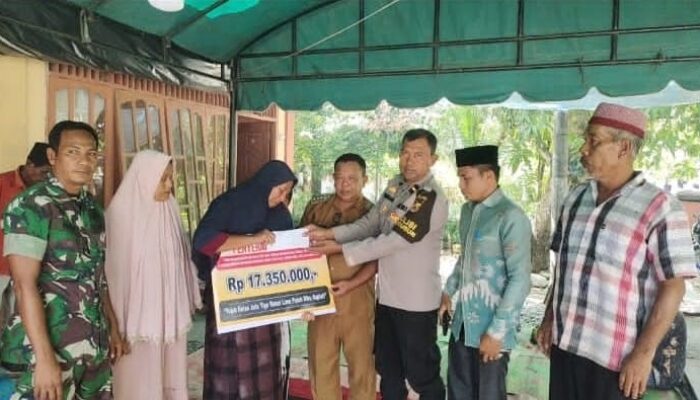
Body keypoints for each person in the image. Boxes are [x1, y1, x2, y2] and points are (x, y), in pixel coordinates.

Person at [536, 103, 698, 400]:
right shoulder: (575, 198)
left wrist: (643, 354)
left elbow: (673, 287)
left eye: (594, 140)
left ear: (623, 148)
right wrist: (549, 318)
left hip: (617, 361)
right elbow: (564, 267)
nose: (583, 149)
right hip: (566, 348)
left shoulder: (660, 208)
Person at [308, 129, 448, 400]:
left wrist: (339, 247)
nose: (409, 160)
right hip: (387, 299)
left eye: (418, 155)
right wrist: (330, 234)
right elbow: (371, 223)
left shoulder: (430, 197)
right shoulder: (396, 186)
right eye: (405, 153)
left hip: (416, 304)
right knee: (389, 371)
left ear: (433, 159)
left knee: (421, 375)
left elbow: (393, 242)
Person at [1, 121, 127, 400]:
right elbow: (23, 285)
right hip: (44, 353)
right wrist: (45, 359)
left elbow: (98, 275)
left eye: (91, 154)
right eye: (73, 152)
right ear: (52, 156)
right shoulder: (30, 207)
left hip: (92, 347)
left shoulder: (92, 209)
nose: (84, 161)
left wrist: (112, 328)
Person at [192, 160, 297, 400]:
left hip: (265, 308)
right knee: (227, 371)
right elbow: (203, 241)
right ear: (266, 183)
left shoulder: (281, 216)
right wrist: (253, 240)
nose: (283, 198)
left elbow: (290, 261)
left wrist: (300, 303)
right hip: (230, 303)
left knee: (266, 373)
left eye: (288, 193)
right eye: (281, 190)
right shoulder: (228, 204)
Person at [105, 150, 202, 399]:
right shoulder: (120, 216)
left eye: (171, 178)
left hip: (169, 317)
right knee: (139, 380)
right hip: (134, 324)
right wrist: (115, 327)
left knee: (170, 375)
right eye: (163, 179)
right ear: (145, 178)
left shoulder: (170, 210)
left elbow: (182, 260)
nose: (169, 185)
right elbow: (113, 277)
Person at [439, 145, 532, 400]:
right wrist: (447, 292)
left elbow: (520, 279)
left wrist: (497, 332)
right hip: (462, 327)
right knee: (458, 393)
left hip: (490, 332)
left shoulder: (510, 216)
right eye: (459, 177)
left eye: (466, 178)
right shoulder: (468, 211)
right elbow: (465, 260)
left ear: (489, 176)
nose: (461, 185)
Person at [299, 153, 377, 400]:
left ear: (364, 180)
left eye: (352, 179)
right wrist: (302, 297)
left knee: (362, 370)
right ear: (332, 178)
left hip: (357, 303)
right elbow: (298, 252)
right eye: (340, 178)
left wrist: (351, 284)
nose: (345, 185)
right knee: (321, 369)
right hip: (320, 302)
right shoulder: (316, 208)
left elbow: (376, 259)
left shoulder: (373, 213)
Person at [0, 143, 51, 293]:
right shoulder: (3, 183)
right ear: (30, 164)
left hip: (31, 270)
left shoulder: (47, 190)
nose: (47, 177)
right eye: (44, 172)